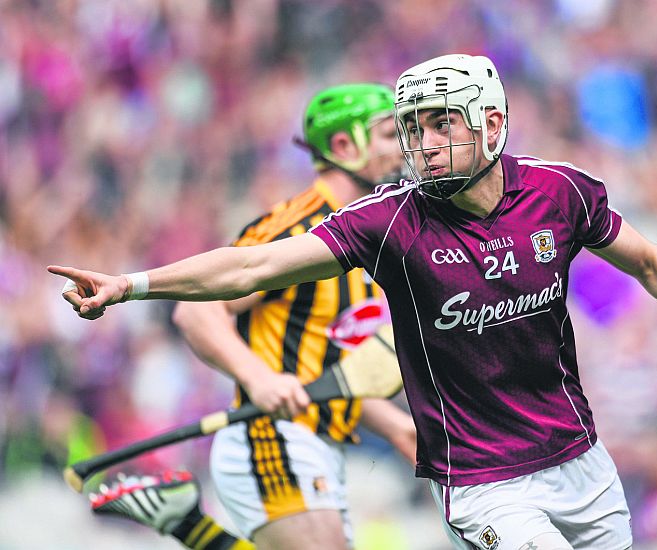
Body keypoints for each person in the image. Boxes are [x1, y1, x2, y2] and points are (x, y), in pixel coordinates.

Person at [51, 55, 657, 550]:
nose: (422, 143)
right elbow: (253, 266)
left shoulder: (560, 191)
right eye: (411, 127)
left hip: (580, 458)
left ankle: (192, 529)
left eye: (440, 123)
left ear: (492, 123)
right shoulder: (388, 219)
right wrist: (130, 284)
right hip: (481, 479)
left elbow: (650, 263)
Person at [81, 83, 417, 550]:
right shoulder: (299, 227)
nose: (403, 148)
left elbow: (321, 371)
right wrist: (258, 379)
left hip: (321, 443)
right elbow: (197, 314)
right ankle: (190, 528)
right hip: (272, 440)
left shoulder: (372, 234)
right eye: (387, 134)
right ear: (344, 146)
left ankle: (189, 526)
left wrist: (396, 425)